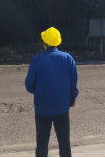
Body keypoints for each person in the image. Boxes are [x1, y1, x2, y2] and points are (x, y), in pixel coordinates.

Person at [25, 27, 79, 157]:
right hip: (62, 107)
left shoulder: (37, 60)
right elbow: (73, 83)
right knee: (64, 143)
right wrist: (72, 100)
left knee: (42, 144)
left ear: (44, 42)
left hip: (42, 108)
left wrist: (38, 90)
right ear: (58, 42)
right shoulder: (68, 58)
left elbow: (29, 85)